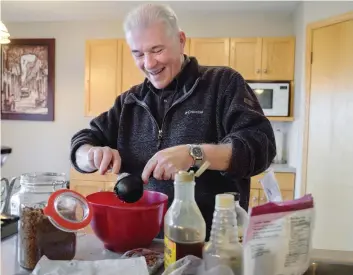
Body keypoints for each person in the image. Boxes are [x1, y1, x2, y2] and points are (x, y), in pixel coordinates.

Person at [70, 3, 276, 240]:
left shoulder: (223, 84)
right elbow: (81, 143)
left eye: (156, 50)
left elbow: (262, 147)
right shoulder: (130, 101)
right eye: (137, 53)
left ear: (180, 40)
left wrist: (195, 154)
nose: (148, 64)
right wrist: (90, 156)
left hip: (212, 246)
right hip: (141, 243)